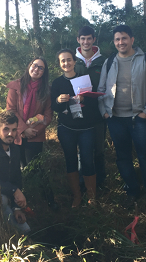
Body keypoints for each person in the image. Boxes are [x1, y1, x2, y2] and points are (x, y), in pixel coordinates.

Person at [97, 25, 146, 213]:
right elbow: (101, 90)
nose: (121, 42)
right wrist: (105, 112)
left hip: (138, 119)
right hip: (115, 119)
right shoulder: (109, 62)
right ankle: (132, 191)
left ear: (132, 39)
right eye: (117, 39)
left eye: (124, 38)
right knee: (123, 158)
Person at [6, 57, 56, 210]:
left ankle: (50, 201)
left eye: (41, 68)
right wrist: (23, 130)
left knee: (36, 168)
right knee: (16, 169)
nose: (37, 69)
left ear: (44, 72)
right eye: (35, 66)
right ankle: (19, 204)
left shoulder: (46, 90)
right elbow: (11, 110)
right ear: (29, 66)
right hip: (16, 135)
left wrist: (33, 131)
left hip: (35, 135)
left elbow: (48, 116)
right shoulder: (16, 86)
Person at [51, 49, 99, 208]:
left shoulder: (85, 79)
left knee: (87, 160)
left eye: (69, 60)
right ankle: (77, 196)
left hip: (86, 128)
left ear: (74, 61)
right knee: (70, 160)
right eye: (63, 61)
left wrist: (85, 97)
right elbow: (53, 107)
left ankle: (92, 197)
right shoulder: (57, 83)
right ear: (59, 64)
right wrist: (58, 100)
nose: (66, 63)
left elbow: (95, 103)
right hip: (66, 128)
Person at [75, 26, 107, 189]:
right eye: (82, 39)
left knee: (99, 148)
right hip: (78, 111)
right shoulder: (73, 61)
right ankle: (82, 184)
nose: (86, 42)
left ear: (94, 40)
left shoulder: (104, 61)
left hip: (98, 112)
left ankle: (100, 183)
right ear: (78, 40)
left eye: (89, 38)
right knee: (82, 149)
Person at [0, 110, 30, 233]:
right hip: (1, 196)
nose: (10, 134)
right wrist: (14, 191)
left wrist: (17, 208)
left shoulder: (15, 150)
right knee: (2, 200)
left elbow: (17, 177)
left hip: (8, 198)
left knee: (26, 230)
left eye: (14, 130)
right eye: (6, 129)